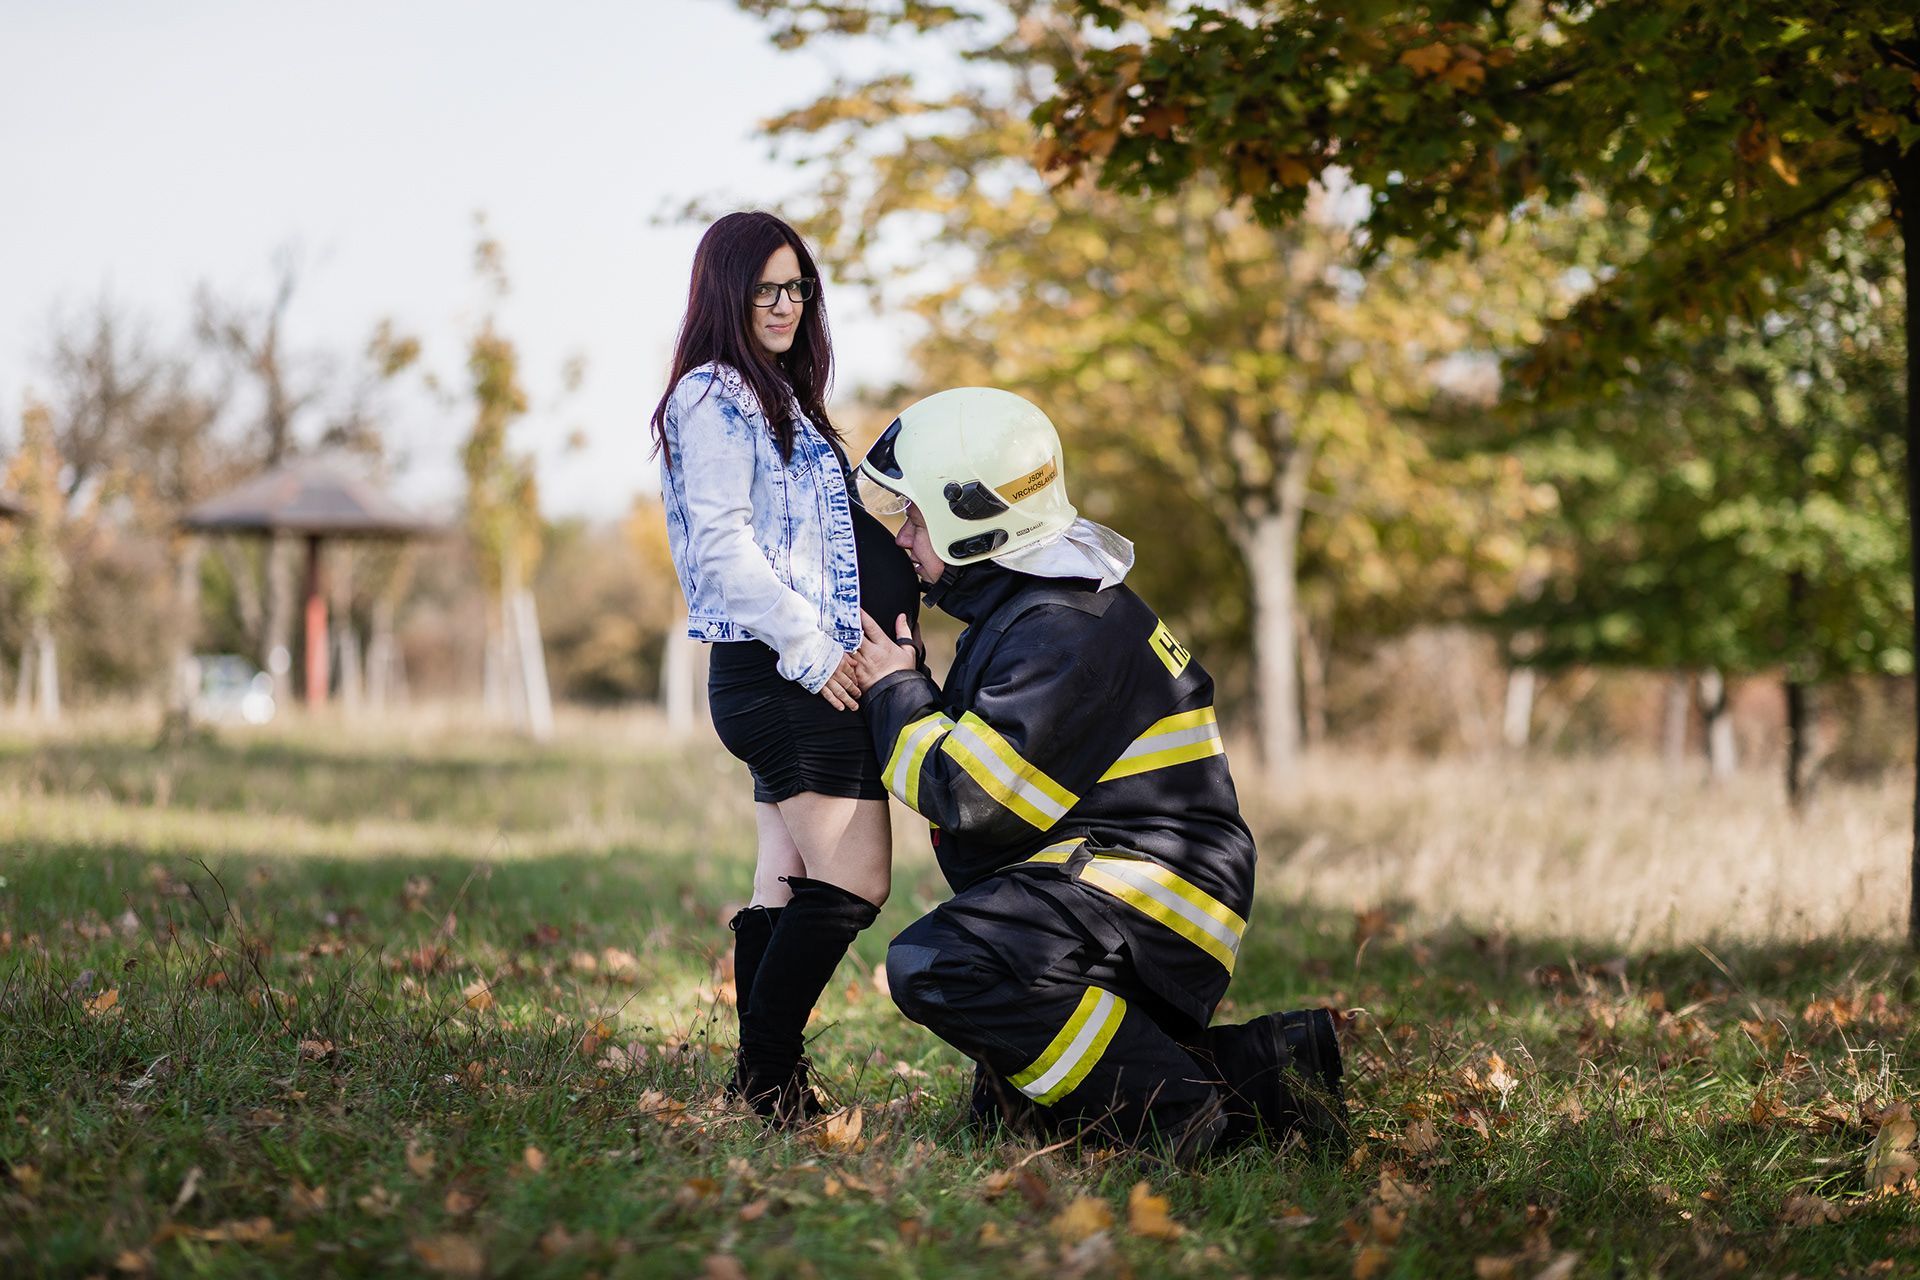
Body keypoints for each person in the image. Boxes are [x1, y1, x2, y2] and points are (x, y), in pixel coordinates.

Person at [846, 387, 1346, 1161]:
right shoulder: (1036, 608)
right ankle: (1276, 1073)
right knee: (1023, 1118)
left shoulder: (1063, 630)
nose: (904, 538)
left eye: (915, 517)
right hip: (1127, 881)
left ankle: (1177, 1112)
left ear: (971, 516)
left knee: (942, 966)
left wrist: (895, 691)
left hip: (1152, 892)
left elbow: (969, 796)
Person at [650, 211, 921, 1123]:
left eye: (796, 287)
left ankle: (763, 1087)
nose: (783, 304)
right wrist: (816, 652)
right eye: (762, 288)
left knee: (783, 879)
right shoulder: (714, 397)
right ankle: (768, 1075)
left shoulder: (776, 397)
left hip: (787, 674)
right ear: (724, 293)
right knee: (856, 879)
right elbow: (724, 550)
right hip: (785, 674)